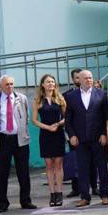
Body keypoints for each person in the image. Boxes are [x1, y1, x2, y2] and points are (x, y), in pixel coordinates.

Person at [0, 75, 37, 212]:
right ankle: (3, 204)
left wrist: (22, 131)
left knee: (23, 172)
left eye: (11, 84)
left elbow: (26, 117)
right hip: (3, 139)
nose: (10, 87)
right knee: (2, 173)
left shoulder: (21, 98)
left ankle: (26, 200)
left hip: (20, 139)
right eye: (7, 85)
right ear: (0, 87)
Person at [65, 69, 108, 207]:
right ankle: (85, 196)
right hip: (80, 139)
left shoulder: (102, 94)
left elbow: (106, 116)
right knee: (82, 168)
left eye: (90, 77)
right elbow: (68, 119)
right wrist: (71, 135)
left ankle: (104, 195)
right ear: (79, 79)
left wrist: (104, 133)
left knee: (102, 167)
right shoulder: (71, 96)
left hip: (98, 138)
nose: (89, 80)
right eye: (86, 78)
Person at [32, 74, 68, 207]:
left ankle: (59, 193)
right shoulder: (38, 100)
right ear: (42, 84)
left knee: (58, 164)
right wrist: (47, 127)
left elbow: (67, 116)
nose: (50, 84)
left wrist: (58, 124)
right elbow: (34, 120)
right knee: (48, 164)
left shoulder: (60, 98)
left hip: (58, 133)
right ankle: (52, 194)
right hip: (45, 134)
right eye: (48, 82)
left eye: (52, 82)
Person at [63, 68, 91, 198]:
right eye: (76, 78)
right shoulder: (68, 95)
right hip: (75, 135)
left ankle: (94, 187)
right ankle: (76, 188)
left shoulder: (95, 93)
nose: (78, 80)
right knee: (76, 162)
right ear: (74, 79)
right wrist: (71, 134)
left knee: (93, 162)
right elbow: (67, 117)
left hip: (91, 134)